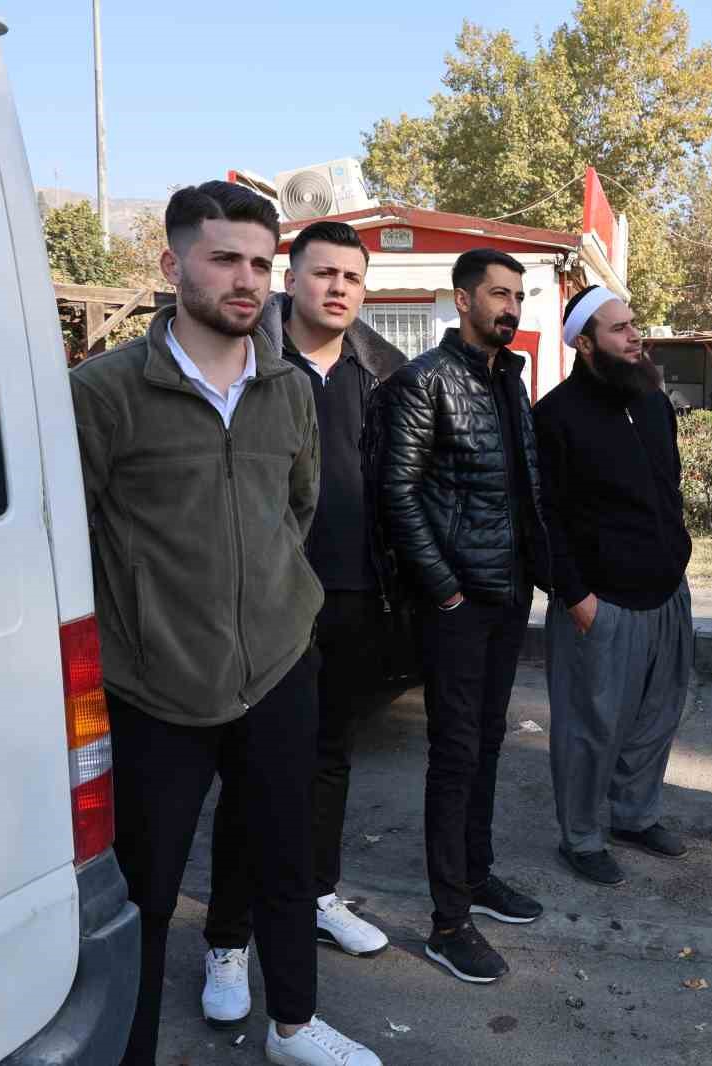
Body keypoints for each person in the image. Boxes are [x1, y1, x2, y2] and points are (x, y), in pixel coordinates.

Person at [70, 182, 380, 1065]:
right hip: (155, 687)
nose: (247, 280)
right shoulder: (105, 392)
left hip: (278, 670)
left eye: (259, 263)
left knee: (284, 861)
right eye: (224, 259)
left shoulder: (286, 389)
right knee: (147, 893)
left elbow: (296, 510)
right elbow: (73, 536)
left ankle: (293, 1027)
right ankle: (129, 1051)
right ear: (173, 265)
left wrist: (283, 616)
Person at [200, 221, 408, 1027]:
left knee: (329, 760)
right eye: (323, 273)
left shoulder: (380, 373)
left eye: (352, 277)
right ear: (291, 279)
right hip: (263, 604)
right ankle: (227, 938)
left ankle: (318, 894)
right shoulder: (249, 359)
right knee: (252, 777)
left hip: (353, 598)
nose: (338, 288)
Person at [367, 248, 547, 984]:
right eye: (499, 294)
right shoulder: (426, 381)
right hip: (458, 605)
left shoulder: (510, 379)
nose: (511, 307)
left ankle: (477, 874)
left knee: (489, 742)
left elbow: (522, 490)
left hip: (507, 595)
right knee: (455, 754)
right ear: (463, 300)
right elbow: (397, 494)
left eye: (518, 296)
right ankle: (448, 923)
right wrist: (443, 588)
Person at [534, 286, 694, 887]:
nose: (635, 337)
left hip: (666, 591)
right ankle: (580, 838)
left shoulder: (651, 402)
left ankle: (634, 816)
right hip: (599, 603)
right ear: (584, 343)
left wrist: (678, 558)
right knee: (589, 730)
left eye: (634, 325)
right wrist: (575, 595)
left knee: (657, 718)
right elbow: (544, 516)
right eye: (620, 329)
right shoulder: (555, 416)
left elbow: (669, 489)